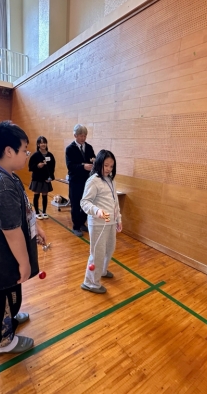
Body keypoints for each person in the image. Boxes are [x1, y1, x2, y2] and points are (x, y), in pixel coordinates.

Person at [0, 120, 47, 355]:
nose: (27, 154)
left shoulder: (8, 176)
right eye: (24, 150)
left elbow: (25, 208)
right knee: (3, 298)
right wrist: (25, 262)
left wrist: (36, 228)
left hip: (8, 257)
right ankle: (3, 341)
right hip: (1, 259)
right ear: (9, 151)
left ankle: (12, 317)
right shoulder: (2, 186)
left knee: (12, 293)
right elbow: (11, 232)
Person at [79, 150, 122, 294]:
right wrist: (96, 210)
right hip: (98, 224)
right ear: (99, 164)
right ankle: (90, 282)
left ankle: (102, 271)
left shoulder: (111, 180)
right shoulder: (93, 181)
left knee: (109, 249)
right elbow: (84, 202)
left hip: (110, 223)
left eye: (111, 166)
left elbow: (115, 202)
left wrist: (118, 219)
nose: (109, 169)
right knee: (97, 253)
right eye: (106, 165)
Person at [65, 124, 96, 236]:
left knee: (86, 202)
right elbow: (70, 166)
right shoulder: (70, 149)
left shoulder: (89, 147)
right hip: (75, 181)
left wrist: (94, 162)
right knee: (75, 203)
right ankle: (76, 226)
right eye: (81, 136)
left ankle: (82, 222)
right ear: (75, 135)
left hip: (87, 180)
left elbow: (94, 159)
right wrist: (83, 166)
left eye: (85, 136)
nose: (83, 138)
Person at [28, 136, 56, 220]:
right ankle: (37, 212)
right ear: (38, 144)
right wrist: (37, 166)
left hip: (46, 179)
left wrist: (51, 177)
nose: (43, 144)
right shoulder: (35, 155)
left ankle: (44, 212)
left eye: (44, 142)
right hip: (37, 178)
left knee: (45, 195)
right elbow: (30, 167)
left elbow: (52, 168)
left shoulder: (50, 155)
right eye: (41, 143)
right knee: (36, 195)